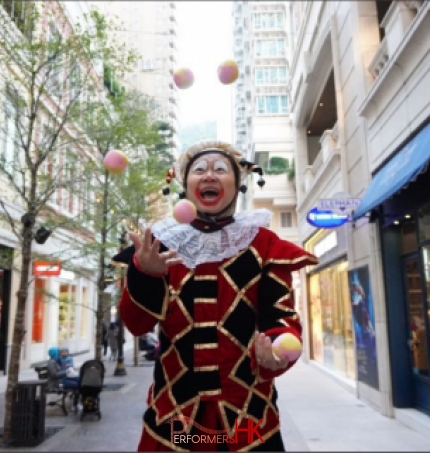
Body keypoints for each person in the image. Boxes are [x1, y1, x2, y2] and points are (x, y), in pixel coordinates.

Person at [113, 140, 318, 451]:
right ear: (185, 184)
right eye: (199, 170)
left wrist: (277, 348)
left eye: (220, 170)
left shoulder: (262, 245)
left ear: (237, 185)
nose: (209, 176)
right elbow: (137, 325)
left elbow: (281, 318)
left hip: (247, 419)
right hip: (175, 420)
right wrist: (145, 274)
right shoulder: (159, 245)